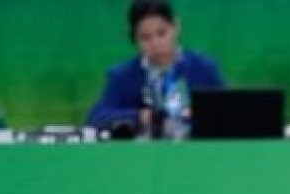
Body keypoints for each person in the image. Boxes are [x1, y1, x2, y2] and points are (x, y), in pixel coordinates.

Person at [86, 0, 225, 136]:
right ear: (134, 39)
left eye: (162, 33)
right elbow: (96, 117)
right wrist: (139, 116)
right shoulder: (123, 76)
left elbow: (226, 113)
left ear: (176, 26)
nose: (155, 43)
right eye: (145, 38)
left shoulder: (203, 69)